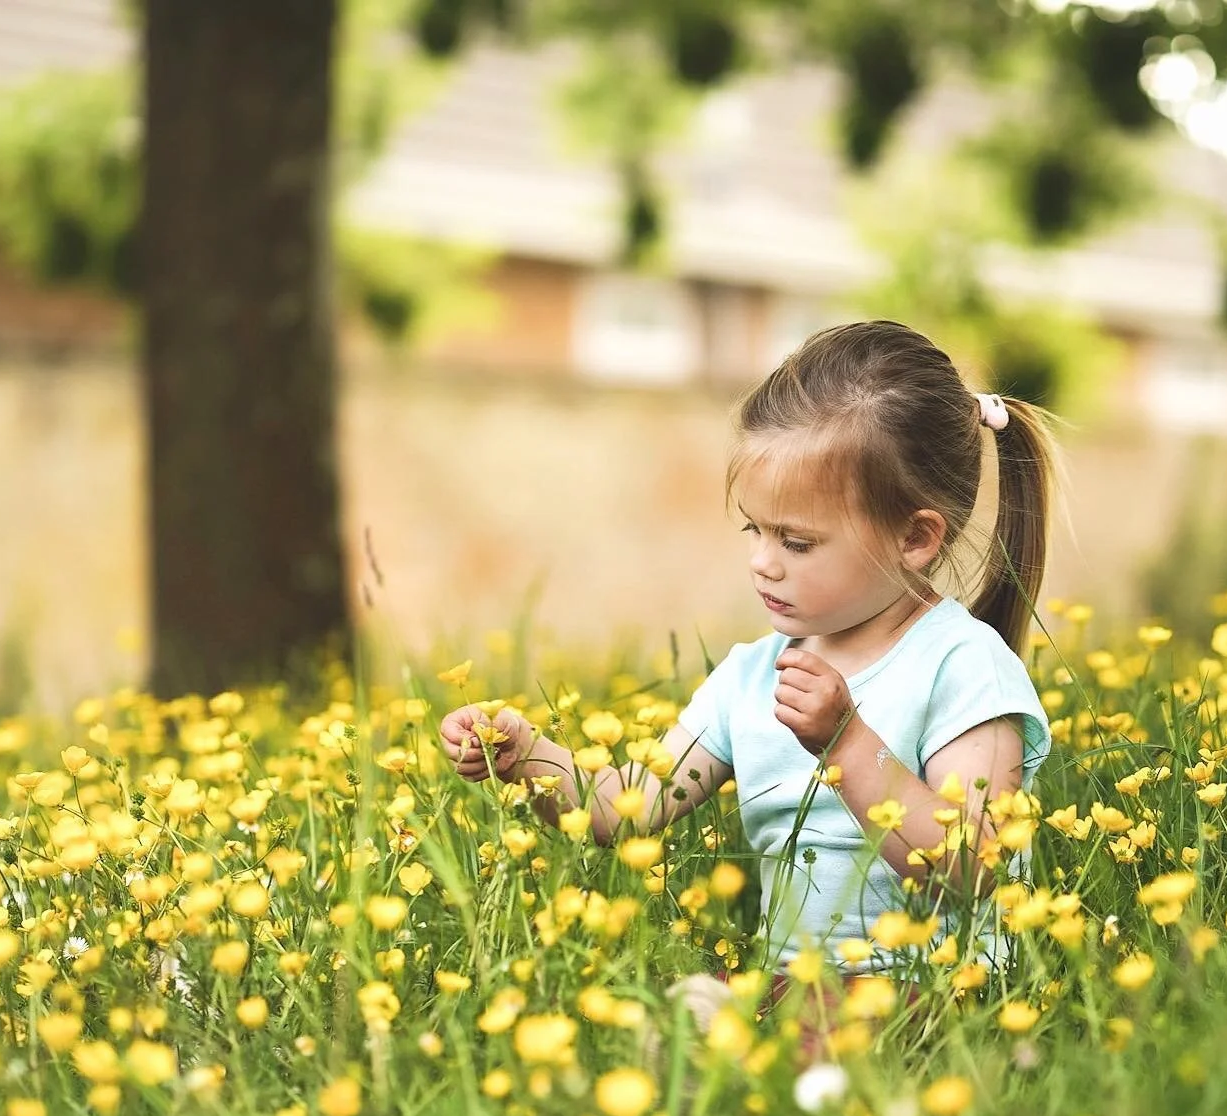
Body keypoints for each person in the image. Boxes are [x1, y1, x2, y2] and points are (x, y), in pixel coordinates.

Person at [440, 320, 1053, 1027]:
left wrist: (848, 745)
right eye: (754, 531)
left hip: (942, 990)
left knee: (758, 1022)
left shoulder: (965, 667)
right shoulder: (752, 676)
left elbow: (973, 867)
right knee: (654, 1010)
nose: (763, 561)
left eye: (796, 541)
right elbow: (622, 808)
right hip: (804, 988)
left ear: (914, 538)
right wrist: (528, 756)